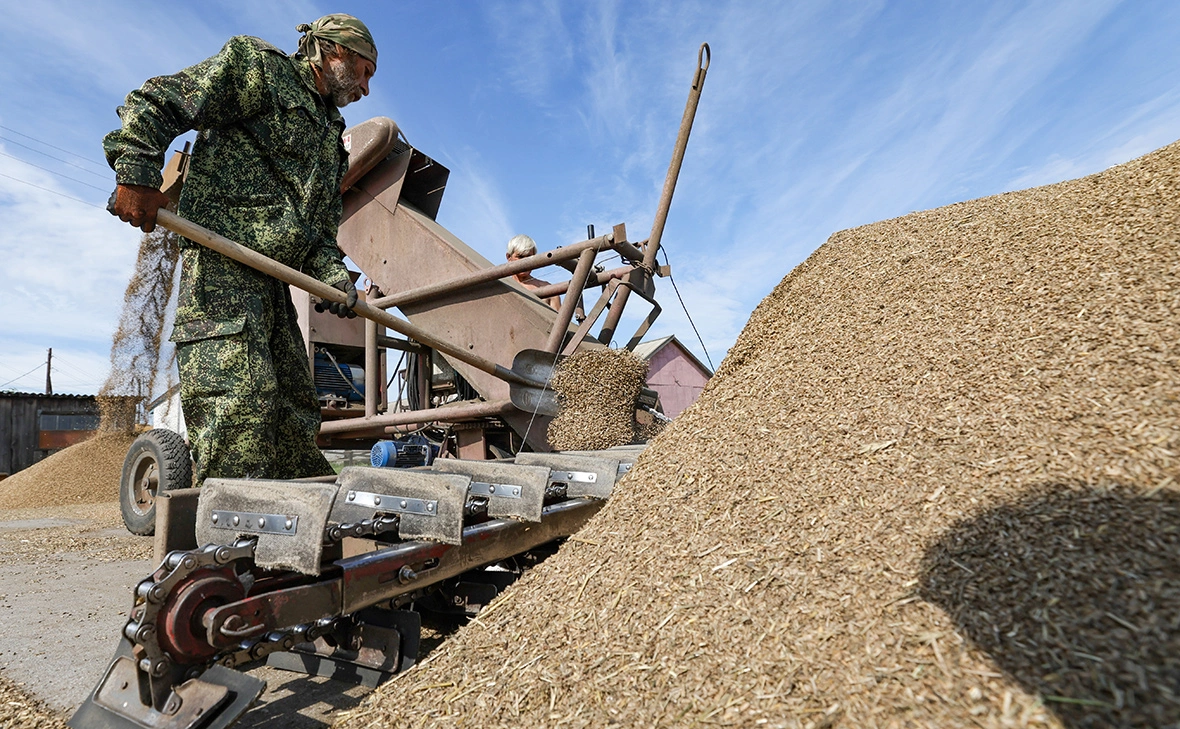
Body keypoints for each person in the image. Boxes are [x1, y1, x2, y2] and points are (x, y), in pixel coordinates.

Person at [104, 14, 378, 484]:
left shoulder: (330, 136)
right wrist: (137, 170)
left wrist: (333, 277)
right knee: (240, 414)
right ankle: (231, 526)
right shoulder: (261, 70)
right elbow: (159, 100)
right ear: (336, 51)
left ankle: (297, 520)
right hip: (222, 271)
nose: (366, 89)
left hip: (273, 285)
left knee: (294, 414)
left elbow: (316, 233)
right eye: (365, 71)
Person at [506, 234, 562, 310]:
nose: (525, 262)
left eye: (529, 257)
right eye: (520, 256)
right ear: (509, 257)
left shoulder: (549, 290)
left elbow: (559, 317)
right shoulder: (501, 287)